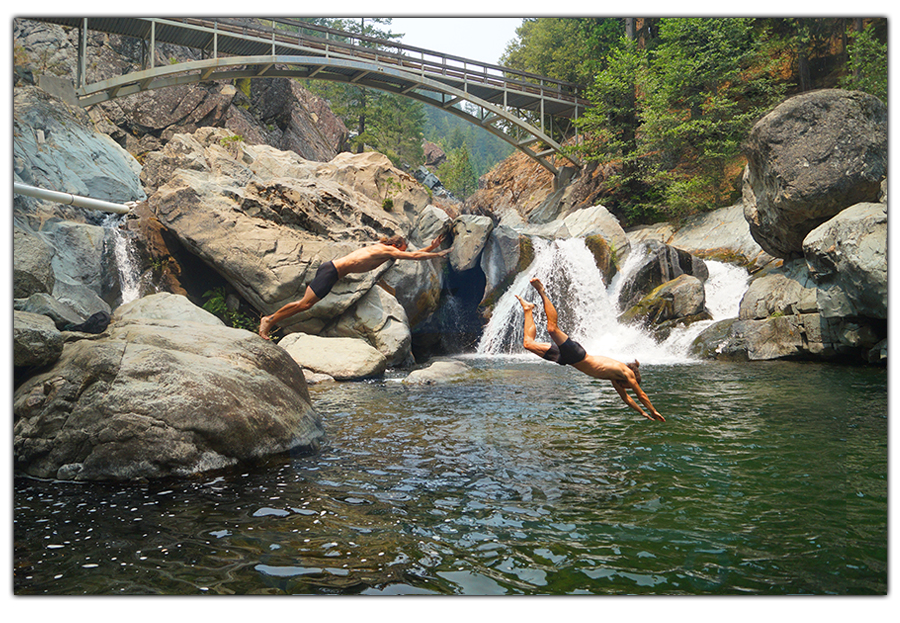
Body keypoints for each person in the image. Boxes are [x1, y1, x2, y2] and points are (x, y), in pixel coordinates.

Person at [515, 278, 665, 422]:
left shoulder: (615, 378)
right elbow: (641, 395)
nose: (626, 388)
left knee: (528, 344)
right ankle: (542, 291)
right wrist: (653, 409)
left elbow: (626, 398)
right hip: (577, 355)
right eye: (629, 386)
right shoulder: (627, 373)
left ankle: (528, 309)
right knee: (552, 329)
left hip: (567, 359)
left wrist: (642, 412)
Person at [259, 234, 450, 339]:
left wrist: (431, 248)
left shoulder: (382, 249)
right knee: (305, 304)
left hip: (331, 270)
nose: (403, 254)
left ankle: (271, 320)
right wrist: (437, 255)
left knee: (305, 304)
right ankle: (269, 320)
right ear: (398, 245)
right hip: (331, 272)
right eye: (403, 250)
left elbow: (413, 254)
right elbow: (414, 257)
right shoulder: (387, 249)